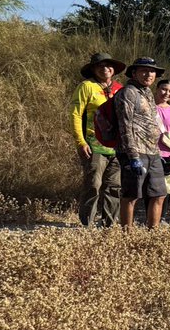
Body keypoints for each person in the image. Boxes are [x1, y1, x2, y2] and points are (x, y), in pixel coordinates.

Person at [69, 52, 125, 228]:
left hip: (117, 147)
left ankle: (109, 224)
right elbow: (76, 115)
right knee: (93, 184)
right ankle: (87, 223)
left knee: (114, 186)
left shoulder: (120, 89)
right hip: (93, 144)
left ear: (113, 69)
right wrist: (81, 141)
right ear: (93, 69)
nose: (105, 69)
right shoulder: (86, 86)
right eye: (100, 66)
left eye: (108, 65)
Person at [114, 57, 167, 229]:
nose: (149, 74)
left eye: (152, 71)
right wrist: (133, 156)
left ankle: (153, 233)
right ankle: (127, 235)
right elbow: (125, 125)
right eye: (144, 70)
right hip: (135, 151)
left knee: (159, 194)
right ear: (134, 73)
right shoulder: (128, 92)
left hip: (153, 151)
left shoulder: (148, 93)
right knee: (131, 195)